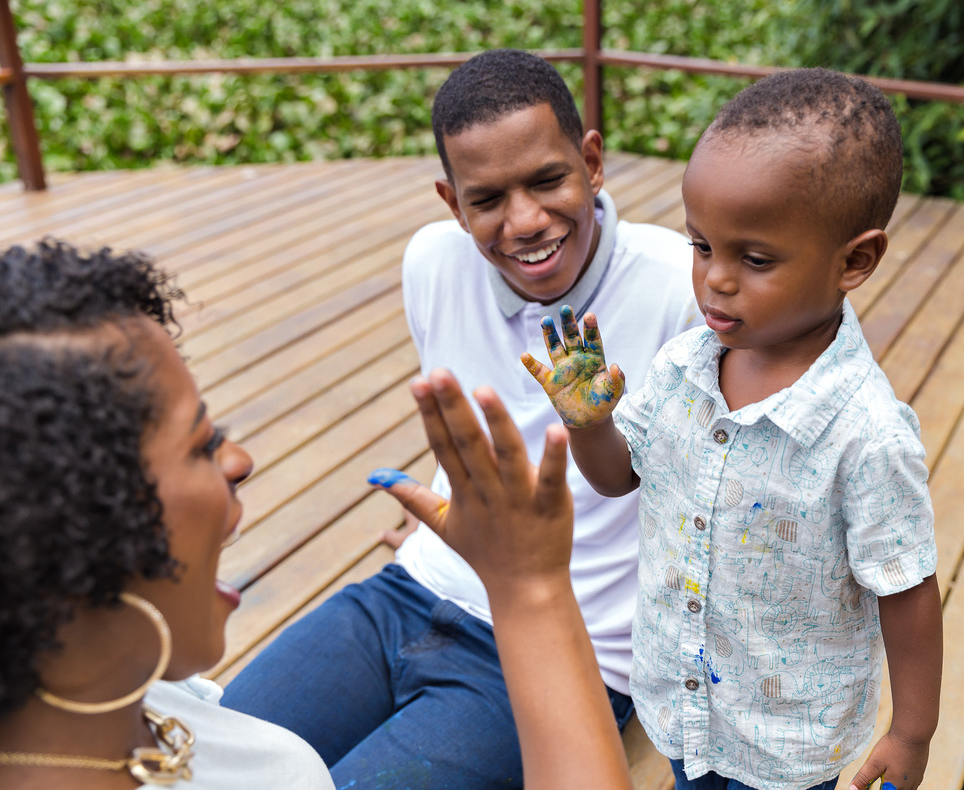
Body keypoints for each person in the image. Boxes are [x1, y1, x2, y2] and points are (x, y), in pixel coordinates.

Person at [220, 48, 700, 789]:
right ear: (452, 203)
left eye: (547, 180)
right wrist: (452, 526)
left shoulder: (682, 287)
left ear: (593, 161)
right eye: (487, 200)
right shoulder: (434, 262)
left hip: (575, 643)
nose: (526, 222)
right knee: (211, 760)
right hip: (409, 590)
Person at [0, 240, 636, 790]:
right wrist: (528, 585)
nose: (240, 459)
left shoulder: (115, 693)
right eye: (202, 443)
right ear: (71, 528)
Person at [524, 69, 943, 790]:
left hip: (785, 744)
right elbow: (620, 476)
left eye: (754, 259)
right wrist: (590, 426)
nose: (716, 279)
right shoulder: (686, 363)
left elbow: (905, 588)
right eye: (700, 246)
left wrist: (912, 732)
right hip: (681, 704)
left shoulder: (867, 435)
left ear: (856, 260)